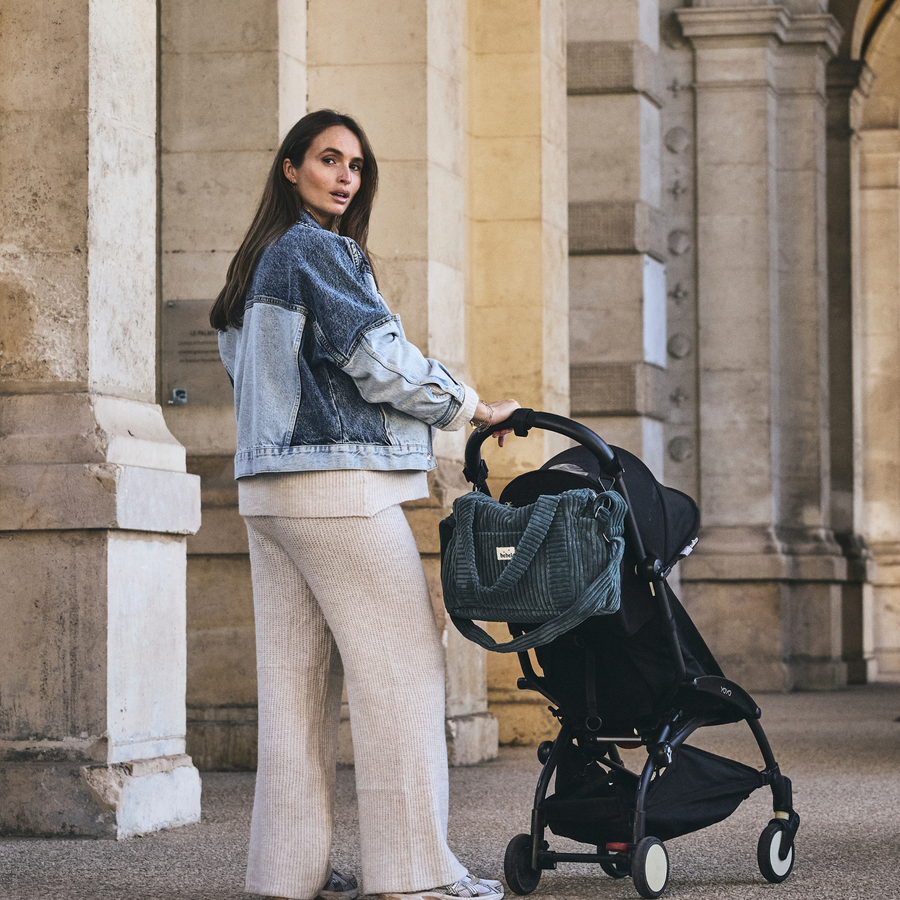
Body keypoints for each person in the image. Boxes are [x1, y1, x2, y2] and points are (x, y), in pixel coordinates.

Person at [211, 108, 520, 900]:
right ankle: (414, 875)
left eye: (355, 165)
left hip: (269, 495)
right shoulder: (318, 251)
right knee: (404, 676)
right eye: (328, 160)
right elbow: (379, 360)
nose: (344, 177)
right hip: (335, 490)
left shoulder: (257, 262)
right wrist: (473, 408)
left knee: (295, 690)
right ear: (291, 168)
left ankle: (286, 873)